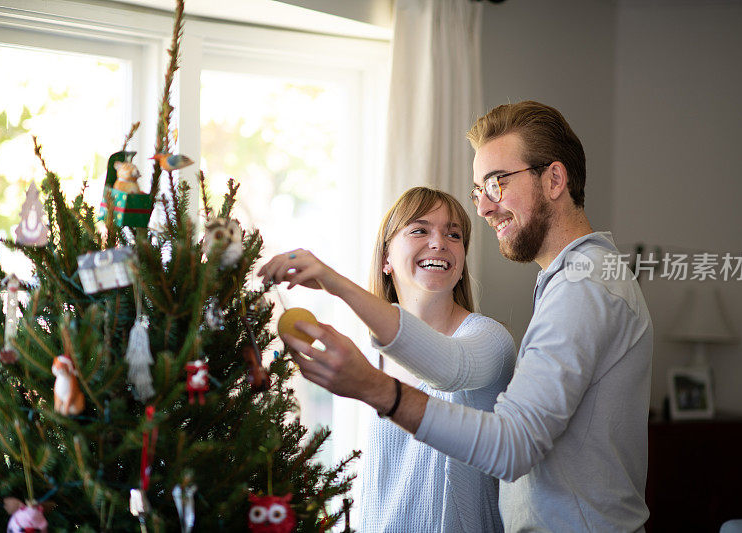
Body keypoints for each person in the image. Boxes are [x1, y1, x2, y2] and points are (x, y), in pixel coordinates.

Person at [275, 101, 654, 532]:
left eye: (496, 184)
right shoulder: (572, 282)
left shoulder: (583, 288)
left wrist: (375, 388)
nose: (484, 209)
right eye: (480, 192)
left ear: (553, 179)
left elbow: (511, 444)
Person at [260, 187, 516, 532]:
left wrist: (336, 283)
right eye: (420, 230)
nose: (439, 242)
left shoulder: (491, 340)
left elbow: (450, 368)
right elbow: (377, 490)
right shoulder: (372, 357)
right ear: (386, 259)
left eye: (454, 234)